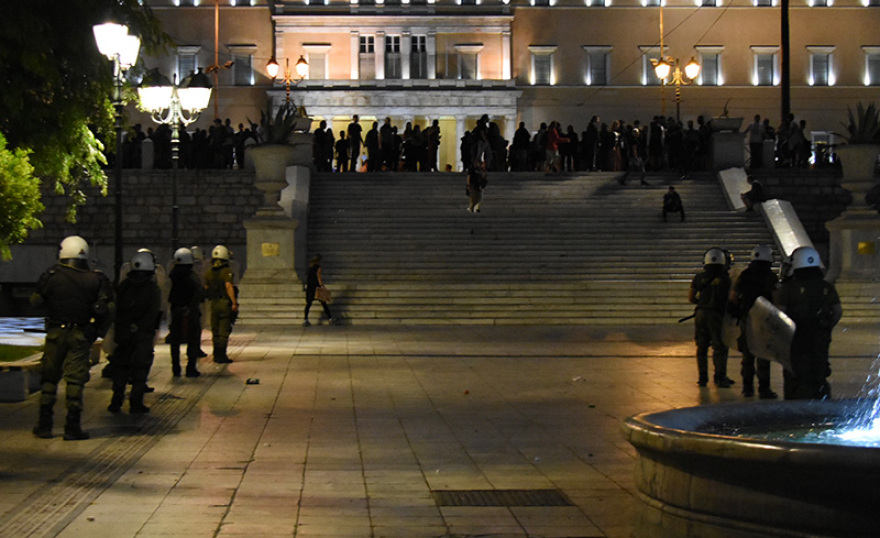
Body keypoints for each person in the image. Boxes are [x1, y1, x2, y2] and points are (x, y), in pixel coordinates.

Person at [31, 235, 113, 440]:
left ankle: (44, 424)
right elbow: (107, 308)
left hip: (55, 333)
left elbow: (35, 301)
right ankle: (72, 426)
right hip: (80, 334)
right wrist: (97, 332)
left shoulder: (51, 275)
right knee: (75, 380)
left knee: (49, 378)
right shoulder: (96, 279)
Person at [775, 246, 842, 400]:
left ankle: (796, 409)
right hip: (820, 337)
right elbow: (837, 311)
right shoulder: (827, 287)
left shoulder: (789, 288)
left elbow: (780, 313)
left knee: (795, 373)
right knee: (819, 371)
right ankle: (821, 405)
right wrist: (827, 328)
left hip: (796, 339)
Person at [110, 250, 162, 414]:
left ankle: (116, 401)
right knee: (140, 369)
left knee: (121, 369)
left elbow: (117, 309)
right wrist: (141, 326)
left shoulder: (124, 286)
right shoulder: (152, 288)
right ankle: (135, 402)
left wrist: (125, 325)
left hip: (124, 334)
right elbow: (153, 312)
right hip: (142, 335)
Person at [729, 245, 779, 399]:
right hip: (764, 319)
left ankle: (747, 388)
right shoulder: (771, 277)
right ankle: (764, 389)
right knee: (763, 355)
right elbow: (776, 299)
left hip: (747, 318)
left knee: (748, 354)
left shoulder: (744, 275)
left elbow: (733, 297)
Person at [689, 247, 734, 388]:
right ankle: (720, 377)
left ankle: (702, 378)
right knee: (719, 347)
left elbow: (691, 298)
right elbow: (732, 299)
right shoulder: (726, 279)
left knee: (701, 347)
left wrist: (702, 304)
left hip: (701, 314)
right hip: (718, 315)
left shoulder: (698, 278)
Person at [168, 247, 204, 378]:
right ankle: (191, 368)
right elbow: (198, 293)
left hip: (176, 309)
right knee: (193, 339)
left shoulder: (172, 275)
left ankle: (176, 368)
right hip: (190, 311)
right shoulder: (191, 276)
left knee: (175, 340)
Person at [204, 244, 238, 364]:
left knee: (215, 330)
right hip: (224, 303)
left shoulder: (208, 272)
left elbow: (206, 288)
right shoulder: (226, 271)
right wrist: (234, 302)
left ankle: (216, 353)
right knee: (224, 330)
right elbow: (228, 286)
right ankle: (221, 355)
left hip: (213, 303)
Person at [304, 254, 335, 326]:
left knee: (308, 304)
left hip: (310, 287)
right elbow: (318, 277)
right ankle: (330, 318)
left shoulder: (310, 268)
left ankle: (305, 319)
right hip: (316, 287)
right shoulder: (318, 267)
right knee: (323, 303)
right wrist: (322, 286)